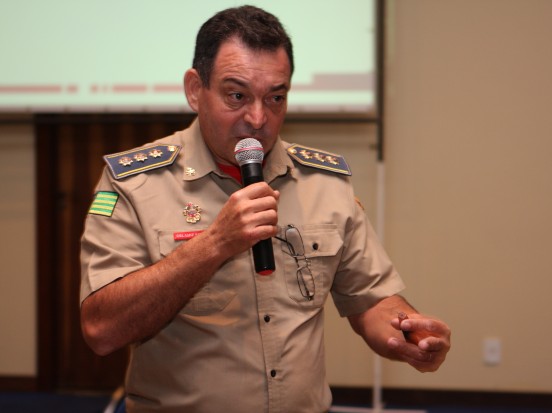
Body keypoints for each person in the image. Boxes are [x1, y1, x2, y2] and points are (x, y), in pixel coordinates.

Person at [80, 5, 451, 413]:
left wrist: (410, 334)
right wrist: (214, 244)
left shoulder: (324, 183)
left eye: (276, 97)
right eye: (237, 96)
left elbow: (372, 299)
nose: (258, 118)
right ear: (195, 90)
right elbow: (102, 329)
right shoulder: (135, 183)